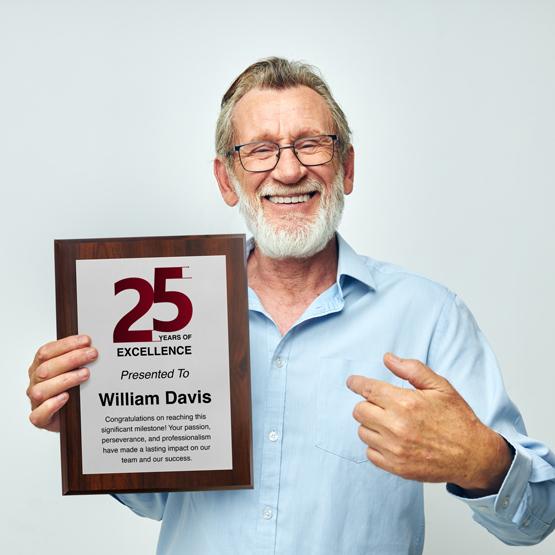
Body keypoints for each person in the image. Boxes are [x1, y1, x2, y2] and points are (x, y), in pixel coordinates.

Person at [27, 57, 555, 554]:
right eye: (259, 149)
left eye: (311, 145)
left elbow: (536, 520)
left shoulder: (430, 315)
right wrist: (90, 428)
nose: (287, 171)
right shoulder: (171, 307)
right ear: (225, 180)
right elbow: (160, 501)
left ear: (346, 167)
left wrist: (482, 460)